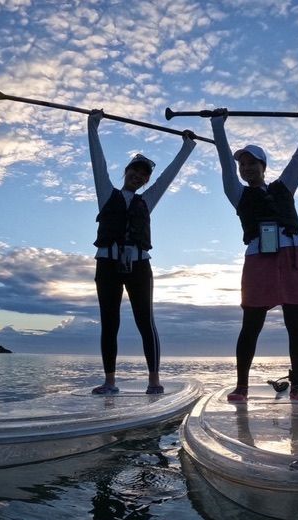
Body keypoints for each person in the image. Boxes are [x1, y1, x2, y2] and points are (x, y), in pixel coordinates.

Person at [210, 108, 298, 402]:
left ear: (263, 166)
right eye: (242, 164)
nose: (246, 168)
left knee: (296, 325)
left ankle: (297, 386)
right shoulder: (237, 194)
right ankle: (241, 387)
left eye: (252, 163)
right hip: (258, 261)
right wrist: (218, 126)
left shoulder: (285, 187)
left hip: (293, 257)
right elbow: (224, 162)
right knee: (251, 325)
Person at [88, 109, 197, 394]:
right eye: (134, 171)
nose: (138, 176)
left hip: (139, 267)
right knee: (109, 323)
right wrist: (93, 125)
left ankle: (154, 381)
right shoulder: (106, 193)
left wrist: (187, 147)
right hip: (107, 265)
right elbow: (97, 162)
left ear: (147, 181)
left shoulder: (147, 200)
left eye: (144, 175)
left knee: (145, 322)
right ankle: (110, 382)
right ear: (126, 171)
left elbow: (169, 177)